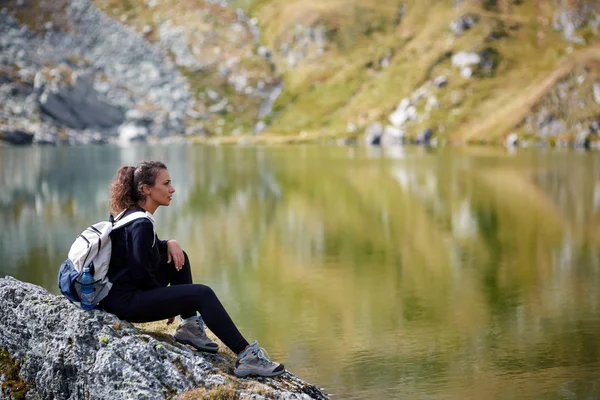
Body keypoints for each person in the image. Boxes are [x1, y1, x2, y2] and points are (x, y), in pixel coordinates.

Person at [98, 160, 285, 378]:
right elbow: (141, 273)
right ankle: (247, 357)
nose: (172, 189)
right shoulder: (141, 224)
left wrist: (168, 243)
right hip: (125, 303)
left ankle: (189, 329)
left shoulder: (133, 215)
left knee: (178, 258)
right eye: (166, 183)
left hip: (118, 295)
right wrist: (167, 301)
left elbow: (136, 255)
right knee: (202, 294)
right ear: (146, 189)